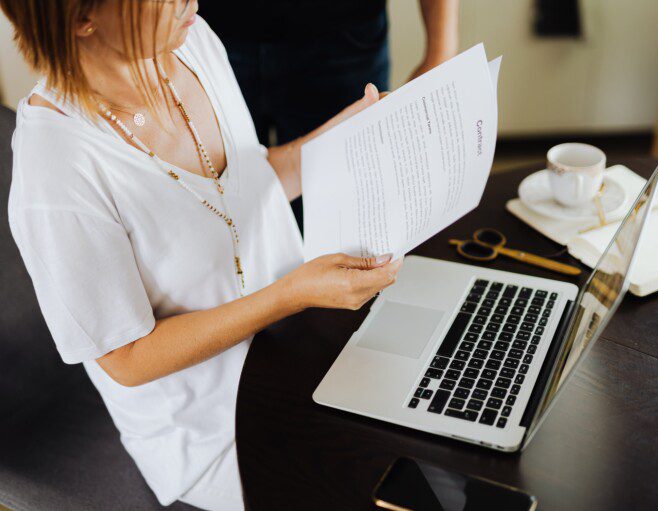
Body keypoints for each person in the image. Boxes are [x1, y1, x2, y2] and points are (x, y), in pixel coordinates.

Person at [1, 0, 402, 510]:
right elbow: (126, 358)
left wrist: (344, 137)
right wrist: (289, 296)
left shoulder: (193, 41)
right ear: (82, 18)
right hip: (216, 430)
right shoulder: (57, 167)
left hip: (302, 353)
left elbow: (244, 183)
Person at [200, 0, 460, 230]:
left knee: (345, 223)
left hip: (346, 40)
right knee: (218, 209)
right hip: (208, 31)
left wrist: (441, 50)